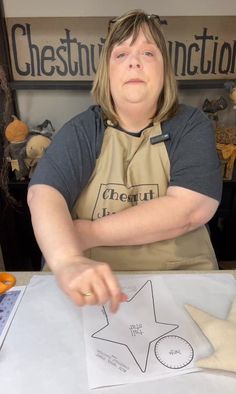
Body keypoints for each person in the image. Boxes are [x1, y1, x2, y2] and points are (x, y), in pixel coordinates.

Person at [27, 10, 222, 313]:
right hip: (95, 290)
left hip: (179, 281)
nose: (134, 61)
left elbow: (190, 209)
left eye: (148, 52)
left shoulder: (190, 125)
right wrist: (68, 261)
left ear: (164, 70)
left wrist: (86, 232)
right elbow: (43, 194)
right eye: (121, 54)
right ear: (107, 72)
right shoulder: (83, 130)